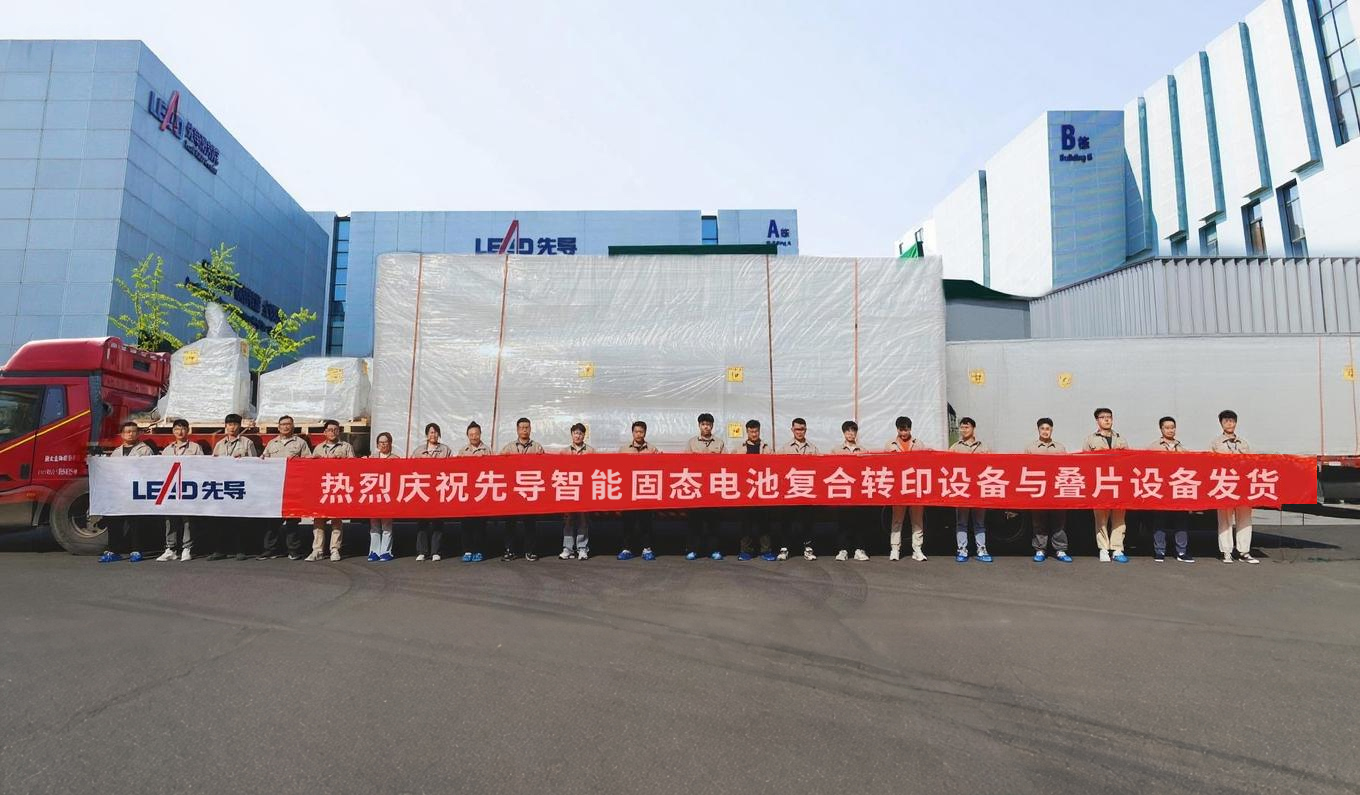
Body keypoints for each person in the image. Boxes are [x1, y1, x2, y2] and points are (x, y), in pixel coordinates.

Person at [99, 422, 154, 563]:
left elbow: (150, 469)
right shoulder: (117, 452)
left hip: (136, 491)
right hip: (119, 491)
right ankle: (113, 550)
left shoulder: (145, 450)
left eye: (133, 431)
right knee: (114, 521)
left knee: (135, 522)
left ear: (138, 433)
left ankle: (136, 550)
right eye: (127, 431)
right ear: (122, 434)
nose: (130, 434)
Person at [260, 415, 311, 561]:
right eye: (283, 424)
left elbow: (308, 462)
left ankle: (294, 550)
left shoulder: (300, 443)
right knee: (272, 521)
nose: (286, 426)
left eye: (289, 424)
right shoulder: (272, 443)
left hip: (293, 487)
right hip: (275, 487)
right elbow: (264, 460)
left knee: (292, 521)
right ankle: (270, 550)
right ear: (278, 427)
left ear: (293, 426)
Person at [1211, 410, 1259, 564]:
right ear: (1221, 423)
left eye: (1232, 421)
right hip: (1225, 484)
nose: (1229, 424)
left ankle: (1244, 551)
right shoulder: (1216, 443)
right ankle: (1226, 551)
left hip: (1242, 485)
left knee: (1244, 518)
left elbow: (1251, 462)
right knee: (1225, 519)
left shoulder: (1243, 443)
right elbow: (1211, 463)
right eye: (1226, 421)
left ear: (1236, 423)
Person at [208, 413, 258, 561]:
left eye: (235, 424)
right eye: (229, 424)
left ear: (239, 426)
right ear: (225, 426)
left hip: (239, 486)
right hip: (223, 486)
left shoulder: (247, 443)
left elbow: (254, 464)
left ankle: (240, 550)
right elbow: (213, 464)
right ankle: (219, 550)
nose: (232, 427)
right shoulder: (219, 444)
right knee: (220, 520)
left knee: (239, 521)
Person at [1084, 407, 1130, 563]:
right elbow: (1085, 462)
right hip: (1100, 483)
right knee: (1101, 518)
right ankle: (1103, 549)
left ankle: (1117, 549)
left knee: (1119, 518)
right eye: (1103, 417)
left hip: (1118, 483)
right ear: (1097, 420)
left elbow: (1129, 460)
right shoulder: (1091, 440)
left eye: (1109, 416)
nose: (1107, 419)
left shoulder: (1120, 439)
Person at [1148, 417, 1195, 564]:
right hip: (1161, 489)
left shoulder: (1181, 447)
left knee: (1181, 521)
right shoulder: (1154, 447)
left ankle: (1181, 551)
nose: (1170, 430)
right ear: (1161, 429)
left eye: (1172, 427)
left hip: (1178, 489)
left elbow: (1191, 465)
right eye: (1167, 427)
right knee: (1159, 521)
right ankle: (1159, 551)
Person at [1026, 418, 1073, 564]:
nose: (1045, 431)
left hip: (1056, 489)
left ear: (1051, 430)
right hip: (1038, 489)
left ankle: (1060, 549)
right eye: (1042, 428)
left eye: (1048, 429)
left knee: (1059, 521)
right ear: (1038, 430)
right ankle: (1040, 549)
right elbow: (1025, 468)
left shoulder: (1060, 448)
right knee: (1039, 520)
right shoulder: (1031, 448)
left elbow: (1066, 468)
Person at [500, 417, 546, 562]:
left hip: (530, 491)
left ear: (530, 429)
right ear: (517, 430)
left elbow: (545, 466)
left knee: (530, 523)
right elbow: (498, 465)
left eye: (527, 427)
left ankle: (530, 551)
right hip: (512, 492)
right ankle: (509, 550)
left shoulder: (537, 448)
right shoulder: (508, 448)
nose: (524, 430)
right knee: (510, 523)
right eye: (522, 427)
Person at [156, 418, 201, 562]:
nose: (180, 432)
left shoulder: (195, 448)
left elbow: (203, 466)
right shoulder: (168, 449)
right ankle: (170, 548)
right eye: (176, 429)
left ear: (188, 430)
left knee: (187, 518)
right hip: (171, 488)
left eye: (182, 429)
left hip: (188, 487)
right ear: (173, 431)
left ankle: (187, 548)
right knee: (170, 518)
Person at [885, 416, 930, 562]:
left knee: (917, 520)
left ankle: (917, 549)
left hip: (916, 487)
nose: (904, 433)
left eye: (906, 430)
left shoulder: (918, 444)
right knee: (897, 520)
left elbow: (926, 463)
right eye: (901, 430)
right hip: (898, 487)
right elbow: (884, 464)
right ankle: (895, 549)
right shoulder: (890, 445)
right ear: (897, 429)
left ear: (910, 429)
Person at [948, 417, 992, 563]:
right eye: (962, 427)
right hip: (962, 489)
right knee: (961, 522)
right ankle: (962, 549)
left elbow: (992, 466)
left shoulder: (983, 447)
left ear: (973, 428)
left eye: (967, 427)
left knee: (979, 522)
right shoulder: (955, 447)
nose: (964, 430)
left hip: (979, 489)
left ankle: (981, 549)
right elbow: (946, 466)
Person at [311, 419, 356, 561]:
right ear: (325, 432)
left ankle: (335, 549)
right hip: (322, 487)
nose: (333, 432)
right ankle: (317, 550)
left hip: (338, 486)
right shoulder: (318, 448)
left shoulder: (346, 446)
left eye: (336, 430)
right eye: (330, 430)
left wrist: (343, 460)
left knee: (336, 519)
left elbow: (355, 466)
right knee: (318, 519)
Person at [684, 412, 726, 560]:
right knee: (694, 522)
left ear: (712, 426)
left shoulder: (719, 443)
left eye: (708, 424)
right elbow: (685, 462)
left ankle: (714, 550)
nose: (706, 427)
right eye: (703, 424)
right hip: (696, 488)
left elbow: (727, 463)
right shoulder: (691, 442)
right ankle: (693, 549)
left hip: (713, 488)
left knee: (713, 522)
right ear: (699, 425)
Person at [732, 419, 774, 561]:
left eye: (756, 431)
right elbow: (731, 467)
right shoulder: (739, 449)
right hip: (745, 491)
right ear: (747, 432)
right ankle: (745, 551)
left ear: (759, 431)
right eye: (751, 431)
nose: (754, 434)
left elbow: (775, 466)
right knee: (746, 523)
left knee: (764, 523)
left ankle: (766, 551)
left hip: (763, 490)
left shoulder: (767, 448)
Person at [618, 420, 661, 560]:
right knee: (628, 522)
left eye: (641, 432)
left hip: (645, 491)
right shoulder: (624, 449)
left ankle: (647, 549)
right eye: (636, 431)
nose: (638, 434)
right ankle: (626, 549)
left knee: (646, 522)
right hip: (628, 492)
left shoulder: (652, 449)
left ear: (645, 433)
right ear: (632, 432)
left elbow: (660, 467)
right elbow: (616, 468)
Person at [779, 417, 820, 561]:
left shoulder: (813, 448)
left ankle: (808, 548)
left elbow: (820, 468)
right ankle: (784, 548)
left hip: (807, 491)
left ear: (805, 430)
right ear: (792, 430)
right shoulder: (784, 448)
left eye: (802, 429)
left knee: (807, 522)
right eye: (797, 429)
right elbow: (777, 468)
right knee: (786, 521)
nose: (799, 432)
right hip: (789, 491)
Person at [412, 422, 452, 561]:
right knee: (422, 522)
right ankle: (422, 551)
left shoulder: (445, 450)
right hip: (422, 489)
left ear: (439, 434)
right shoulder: (418, 451)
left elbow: (452, 467)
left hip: (438, 489)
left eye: (435, 432)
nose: (433, 434)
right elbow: (410, 467)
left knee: (437, 522)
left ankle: (436, 551)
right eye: (430, 432)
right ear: (426, 435)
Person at [833, 421, 870, 561]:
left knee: (859, 521)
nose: (850, 433)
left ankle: (859, 549)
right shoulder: (836, 450)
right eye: (848, 431)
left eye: (853, 431)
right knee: (843, 521)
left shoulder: (863, 450)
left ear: (856, 433)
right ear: (844, 433)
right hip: (842, 490)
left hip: (858, 491)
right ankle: (843, 549)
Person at [559, 423, 594, 560]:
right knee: (568, 520)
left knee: (583, 520)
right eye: (575, 433)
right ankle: (567, 549)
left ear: (584, 435)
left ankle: (582, 548)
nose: (577, 436)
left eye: (580, 433)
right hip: (569, 490)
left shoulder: (591, 451)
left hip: (584, 490)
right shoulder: (564, 452)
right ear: (572, 435)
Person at [458, 421, 491, 562]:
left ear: (480, 434)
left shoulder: (487, 450)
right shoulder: (463, 451)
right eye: (471, 434)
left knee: (480, 524)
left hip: (481, 491)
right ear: (467, 436)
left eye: (476, 434)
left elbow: (493, 468)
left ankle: (479, 550)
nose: (474, 437)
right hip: (466, 492)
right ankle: (467, 550)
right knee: (466, 523)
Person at [367, 431, 398, 562]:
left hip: (388, 495)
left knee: (387, 524)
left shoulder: (396, 459)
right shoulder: (372, 458)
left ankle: (386, 551)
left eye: (386, 442)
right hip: (374, 494)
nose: (383, 445)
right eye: (381, 442)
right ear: (377, 445)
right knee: (374, 524)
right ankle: (374, 551)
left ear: (390, 443)